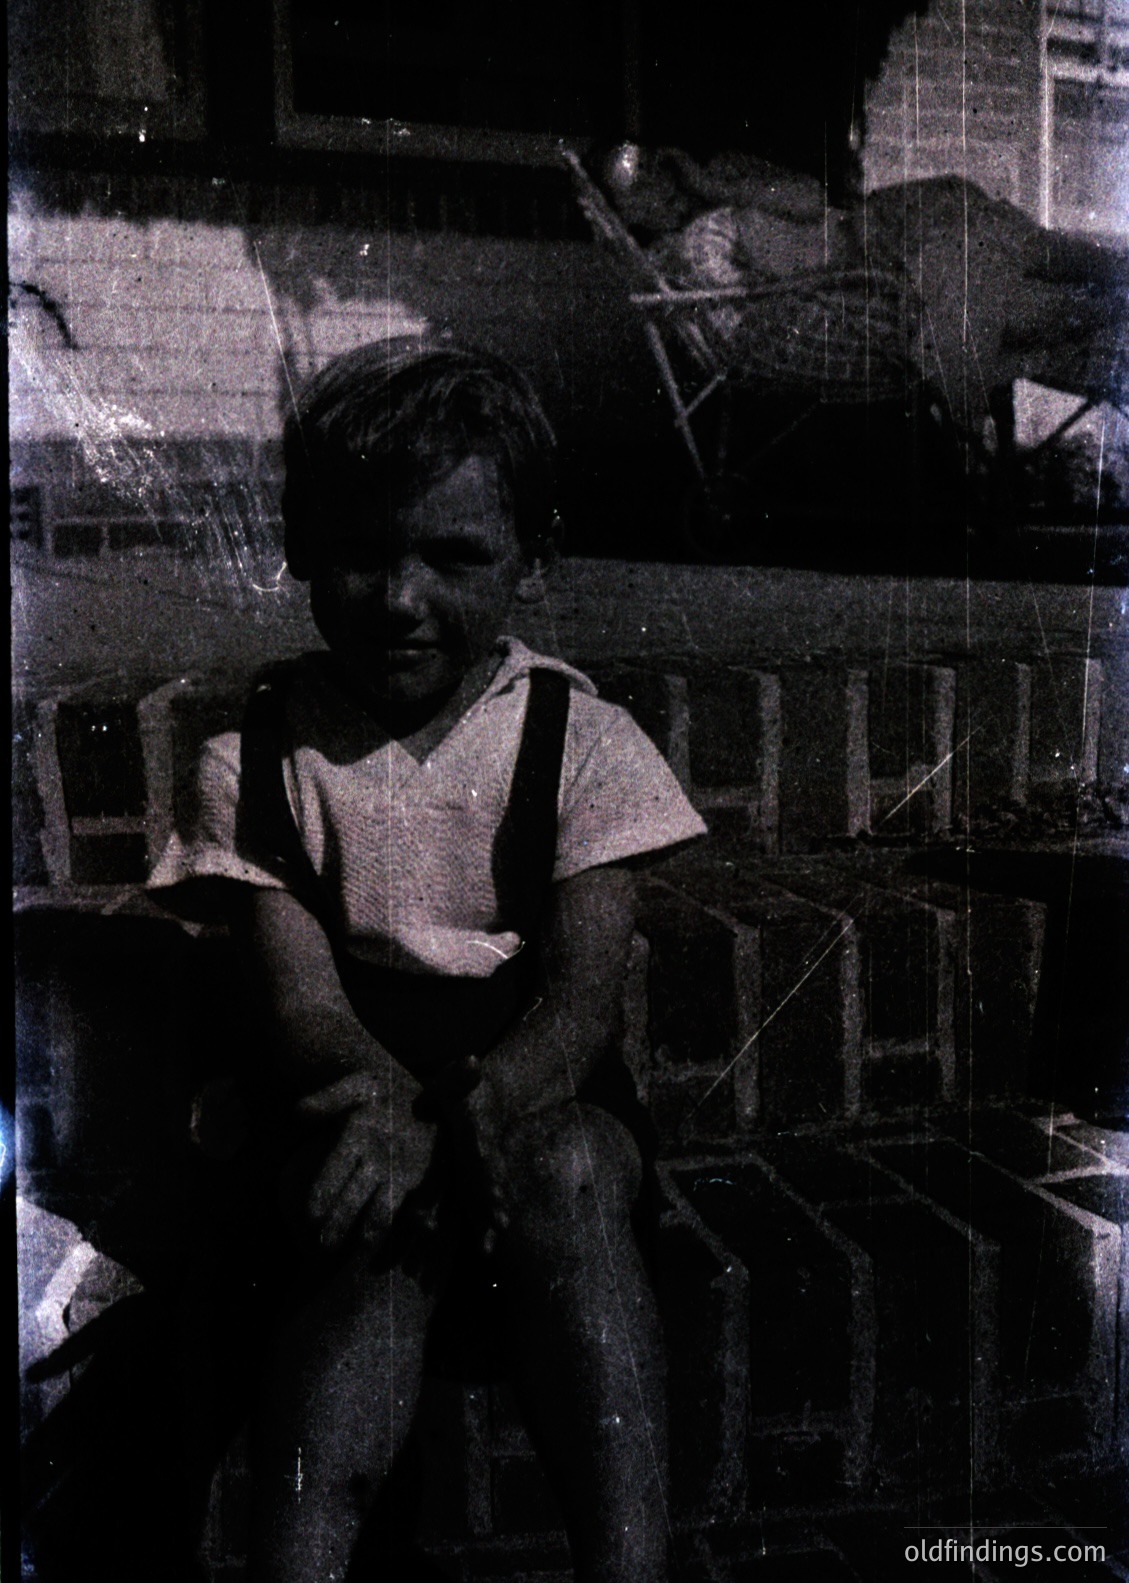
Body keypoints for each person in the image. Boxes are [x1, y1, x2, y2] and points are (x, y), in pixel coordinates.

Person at [149, 337, 706, 1582]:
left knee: (570, 1170)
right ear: (296, 543)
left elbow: (578, 1002)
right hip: (352, 1097)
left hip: (533, 1091)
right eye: (360, 552)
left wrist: (479, 1110)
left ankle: (630, 1567)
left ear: (531, 556)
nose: (399, 598)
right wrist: (398, 1116)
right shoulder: (260, 758)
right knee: (358, 1214)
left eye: (453, 557)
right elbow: (299, 998)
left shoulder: (579, 740)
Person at [596, 142, 1128, 440]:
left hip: (881, 231)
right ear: (626, 216)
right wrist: (722, 195)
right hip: (875, 254)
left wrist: (717, 183)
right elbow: (806, 231)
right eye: (634, 191)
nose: (655, 188)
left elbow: (809, 198)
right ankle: (1110, 296)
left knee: (992, 232)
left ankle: (1110, 286)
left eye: (654, 172)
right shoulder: (705, 239)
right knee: (992, 258)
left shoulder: (721, 194)